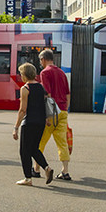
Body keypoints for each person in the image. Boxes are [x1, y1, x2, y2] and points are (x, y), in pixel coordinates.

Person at [13, 63, 55, 185]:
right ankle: (47, 168)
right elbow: (45, 104)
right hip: (41, 122)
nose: (20, 76)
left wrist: (16, 127)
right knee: (34, 149)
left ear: (25, 75)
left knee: (24, 151)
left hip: (29, 122)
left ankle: (28, 178)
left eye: (21, 74)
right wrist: (47, 119)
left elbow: (23, 110)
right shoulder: (41, 87)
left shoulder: (25, 89)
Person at [37, 50, 73, 180]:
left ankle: (36, 169)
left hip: (51, 113)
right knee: (62, 143)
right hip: (62, 111)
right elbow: (68, 94)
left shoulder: (44, 72)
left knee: (40, 141)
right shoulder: (62, 73)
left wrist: (47, 115)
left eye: (40, 60)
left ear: (43, 59)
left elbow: (47, 94)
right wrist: (64, 109)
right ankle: (65, 171)